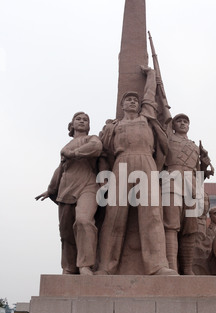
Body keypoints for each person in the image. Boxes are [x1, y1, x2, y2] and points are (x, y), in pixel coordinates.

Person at [96, 66, 177, 276]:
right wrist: (103, 177)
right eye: (128, 100)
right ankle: (106, 267)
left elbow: (150, 95)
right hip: (121, 164)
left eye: (135, 100)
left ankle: (157, 265)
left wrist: (150, 75)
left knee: (152, 215)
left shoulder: (146, 117)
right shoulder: (112, 127)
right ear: (122, 105)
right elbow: (103, 153)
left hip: (146, 161)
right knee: (114, 217)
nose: (132, 102)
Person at [36, 112, 102, 275]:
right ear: (71, 125)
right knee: (66, 232)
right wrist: (51, 189)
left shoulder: (92, 139)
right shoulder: (66, 147)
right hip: (67, 189)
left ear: (89, 126)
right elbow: (61, 170)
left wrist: (73, 153)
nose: (82, 121)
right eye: (78, 119)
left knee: (83, 221)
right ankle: (69, 267)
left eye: (85, 120)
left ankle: (85, 265)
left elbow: (96, 148)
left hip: (88, 185)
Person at [162, 114, 200, 274]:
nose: (183, 123)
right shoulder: (167, 139)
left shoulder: (195, 146)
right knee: (171, 225)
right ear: (173, 125)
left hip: (191, 184)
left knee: (190, 228)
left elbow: (198, 171)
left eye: (186, 122)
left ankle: (187, 268)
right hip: (171, 181)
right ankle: (172, 267)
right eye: (179, 121)